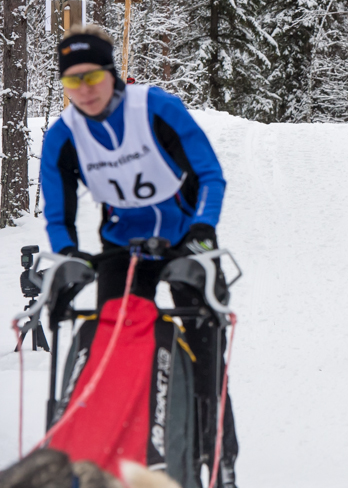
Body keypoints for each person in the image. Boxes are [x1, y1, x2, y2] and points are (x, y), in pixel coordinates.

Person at [40, 24, 239, 487]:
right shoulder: (63, 136)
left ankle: (220, 454)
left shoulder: (156, 108)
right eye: (73, 82)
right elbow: (57, 210)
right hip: (122, 244)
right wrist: (67, 255)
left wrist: (203, 234)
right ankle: (107, 446)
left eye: (92, 77)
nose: (84, 91)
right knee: (109, 336)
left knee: (207, 342)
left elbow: (210, 175)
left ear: (111, 74)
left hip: (185, 235)